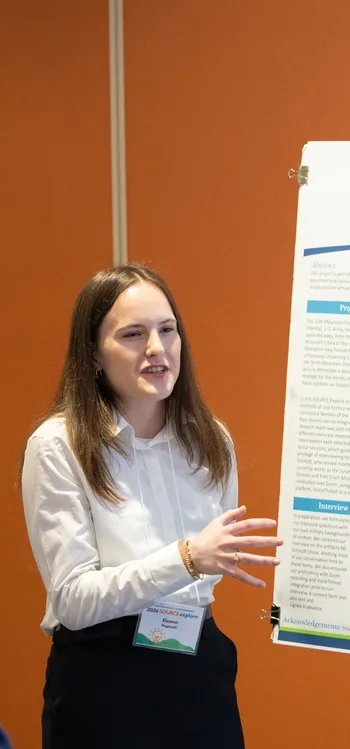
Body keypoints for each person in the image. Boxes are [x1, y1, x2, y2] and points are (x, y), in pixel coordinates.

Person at [20, 263, 283, 749]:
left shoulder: (211, 440)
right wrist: (186, 558)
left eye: (168, 330)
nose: (157, 349)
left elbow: (208, 570)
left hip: (197, 667)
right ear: (93, 355)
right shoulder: (57, 446)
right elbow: (74, 600)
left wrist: (202, 562)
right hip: (103, 678)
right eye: (134, 335)